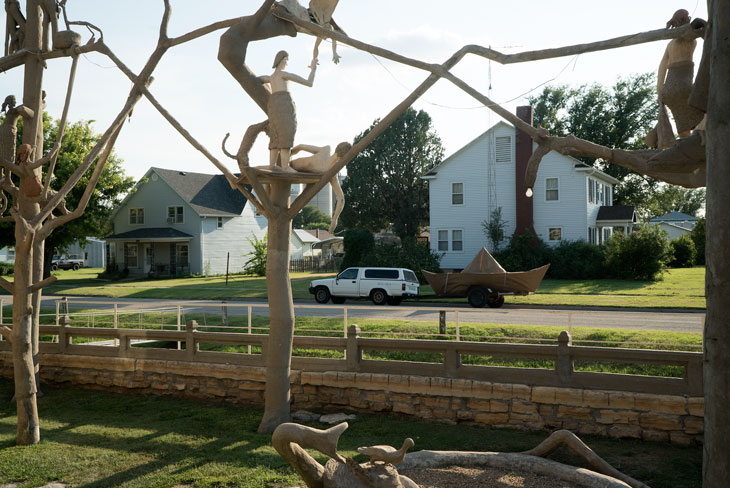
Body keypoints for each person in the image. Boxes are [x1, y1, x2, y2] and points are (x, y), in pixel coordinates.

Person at [258, 50, 317, 171]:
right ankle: (285, 167)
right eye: (286, 60)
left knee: (275, 135)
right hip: (284, 105)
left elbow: (258, 79)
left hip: (273, 106)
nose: (287, 63)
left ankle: (272, 166)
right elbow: (308, 82)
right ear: (281, 60)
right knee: (286, 132)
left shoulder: (270, 77)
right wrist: (313, 69)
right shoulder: (283, 75)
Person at [656, 9, 704, 141]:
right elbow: (704, 29)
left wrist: (659, 90)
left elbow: (662, 67)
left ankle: (685, 147)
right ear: (686, 19)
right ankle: (700, 141)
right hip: (684, 85)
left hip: (668, 91)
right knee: (707, 112)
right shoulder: (689, 37)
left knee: (682, 124)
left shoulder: (670, 44)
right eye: (688, 17)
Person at [290, 141, 351, 233]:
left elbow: (301, 146)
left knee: (308, 190)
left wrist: (289, 153)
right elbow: (341, 198)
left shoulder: (326, 150)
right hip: (291, 170)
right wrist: (334, 219)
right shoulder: (332, 172)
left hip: (292, 167)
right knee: (304, 195)